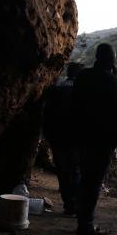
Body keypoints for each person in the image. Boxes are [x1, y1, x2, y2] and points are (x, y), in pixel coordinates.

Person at [72, 43, 117, 235]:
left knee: (85, 178)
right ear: (111, 60)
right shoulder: (112, 82)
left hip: (82, 137)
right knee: (94, 181)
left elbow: (74, 106)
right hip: (102, 140)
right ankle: (86, 224)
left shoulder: (82, 77)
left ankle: (81, 219)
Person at [43, 62, 84, 215]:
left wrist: (48, 136)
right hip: (77, 140)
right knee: (76, 171)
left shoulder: (56, 90)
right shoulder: (83, 93)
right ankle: (76, 205)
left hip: (58, 138)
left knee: (63, 171)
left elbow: (47, 115)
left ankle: (68, 204)